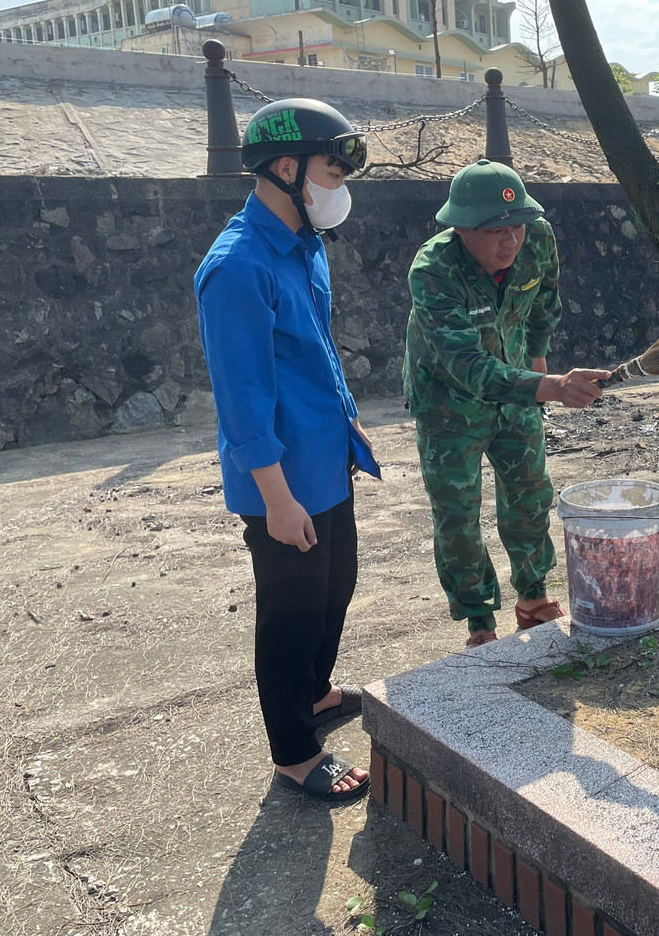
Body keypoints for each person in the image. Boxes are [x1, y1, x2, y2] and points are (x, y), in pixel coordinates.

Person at [194, 97, 378, 804]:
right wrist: (275, 496)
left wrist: (349, 420)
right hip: (283, 479)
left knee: (336, 586)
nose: (340, 185)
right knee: (291, 611)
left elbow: (316, 353)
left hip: (325, 459)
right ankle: (295, 752)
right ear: (284, 166)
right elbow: (242, 396)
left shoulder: (302, 245)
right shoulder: (237, 266)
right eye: (333, 169)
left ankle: (316, 691)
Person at [404, 159, 610, 648]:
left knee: (531, 494)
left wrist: (539, 364)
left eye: (517, 224)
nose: (511, 240)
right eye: (495, 230)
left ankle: (533, 595)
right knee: (457, 514)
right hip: (448, 402)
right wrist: (554, 387)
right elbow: (469, 367)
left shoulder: (538, 238)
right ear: (460, 228)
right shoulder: (434, 272)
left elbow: (545, 305)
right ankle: (478, 619)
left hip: (519, 385)